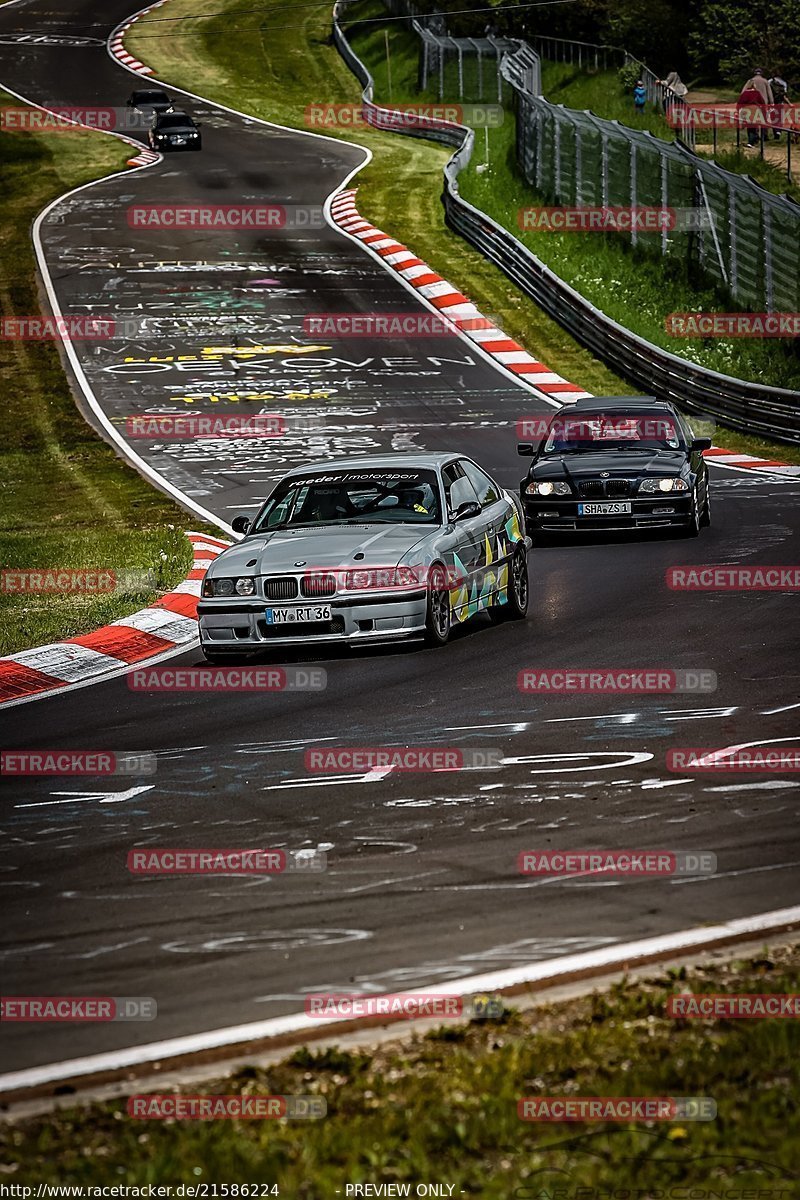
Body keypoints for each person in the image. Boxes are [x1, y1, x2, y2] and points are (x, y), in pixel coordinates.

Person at [738, 69, 773, 147]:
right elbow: (769, 92)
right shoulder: (765, 81)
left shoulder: (750, 81)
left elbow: (742, 93)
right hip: (761, 104)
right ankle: (764, 136)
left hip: (749, 106)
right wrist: (772, 102)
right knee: (763, 120)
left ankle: (754, 138)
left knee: (751, 123)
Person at [769, 74, 788, 139]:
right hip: (780, 103)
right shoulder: (783, 83)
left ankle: (775, 132)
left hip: (772, 103)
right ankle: (779, 131)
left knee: (773, 118)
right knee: (780, 118)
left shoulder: (769, 81)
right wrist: (789, 103)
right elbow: (784, 96)